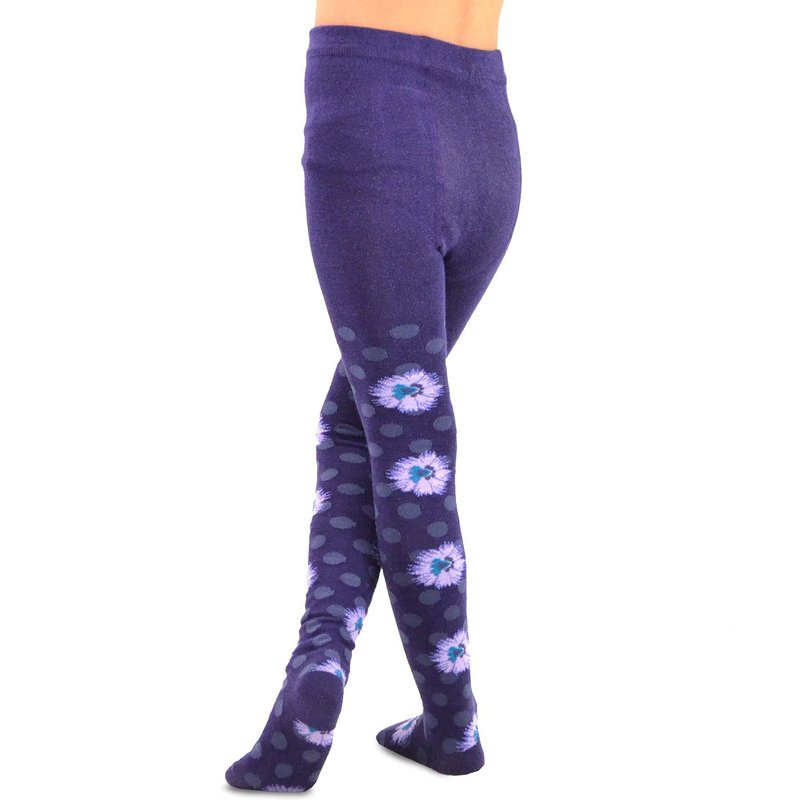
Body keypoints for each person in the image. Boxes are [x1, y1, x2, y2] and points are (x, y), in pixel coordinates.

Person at [225, 0, 521, 791]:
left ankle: (435, 714)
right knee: (363, 422)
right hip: (487, 133)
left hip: (375, 117)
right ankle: (347, 677)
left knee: (403, 439)